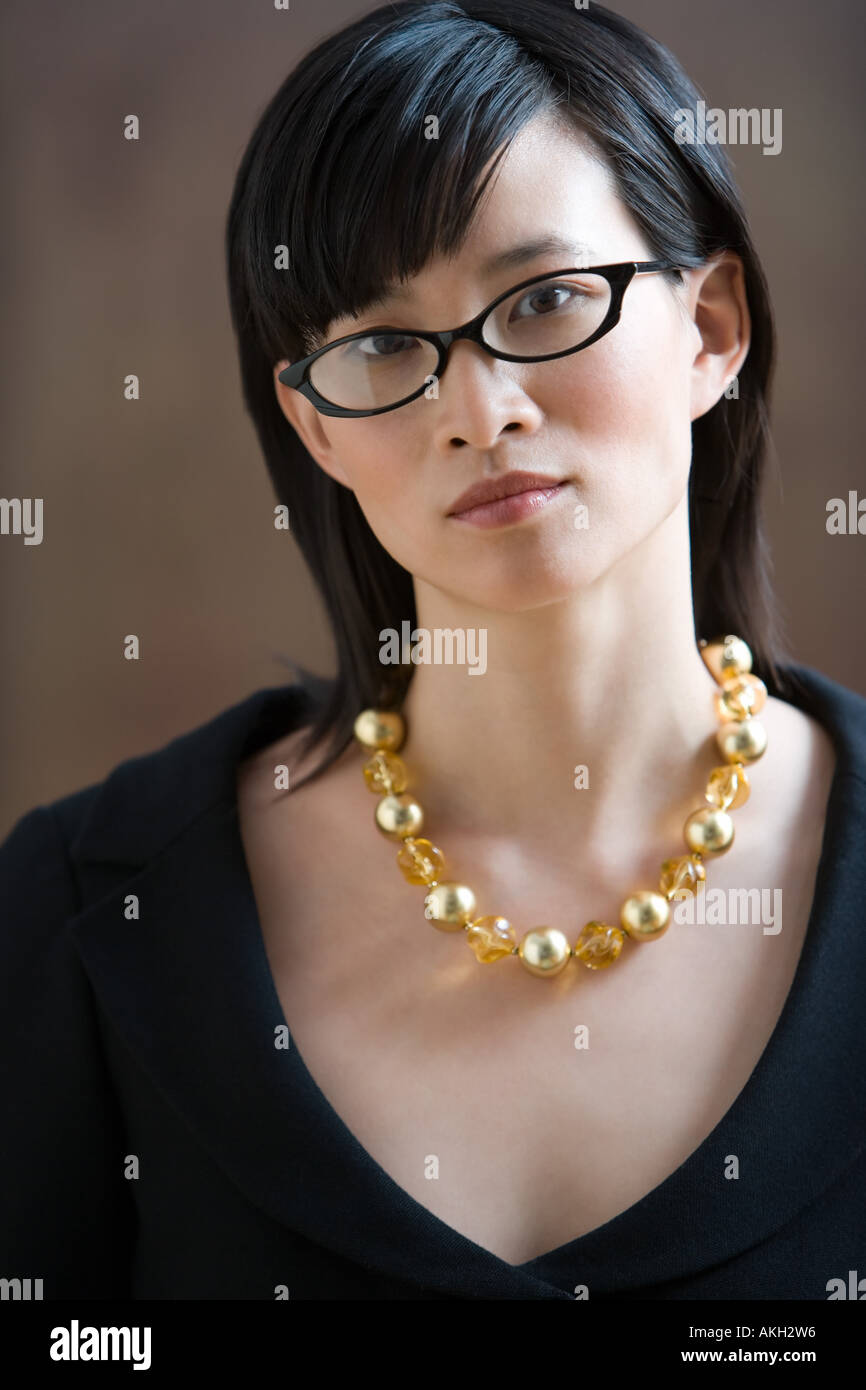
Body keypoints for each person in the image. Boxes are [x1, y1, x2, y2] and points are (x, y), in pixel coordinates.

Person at [1, 0, 864, 1302]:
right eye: (384, 345)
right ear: (315, 428)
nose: (480, 408)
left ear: (709, 328)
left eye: (545, 301)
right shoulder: (90, 910)